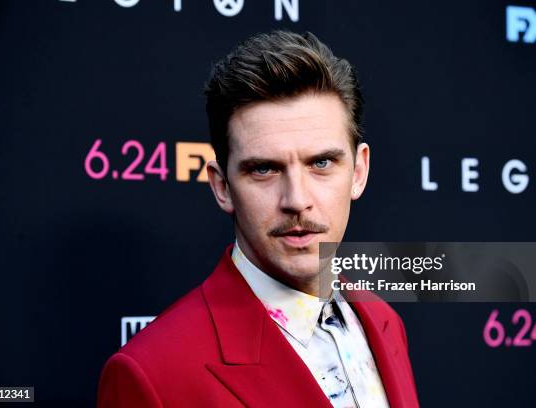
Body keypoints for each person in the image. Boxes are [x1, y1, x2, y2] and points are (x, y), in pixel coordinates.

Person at [97, 30, 419, 408]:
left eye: (321, 163)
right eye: (264, 169)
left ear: (359, 171)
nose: (297, 200)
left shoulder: (383, 320)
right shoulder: (152, 373)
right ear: (222, 187)